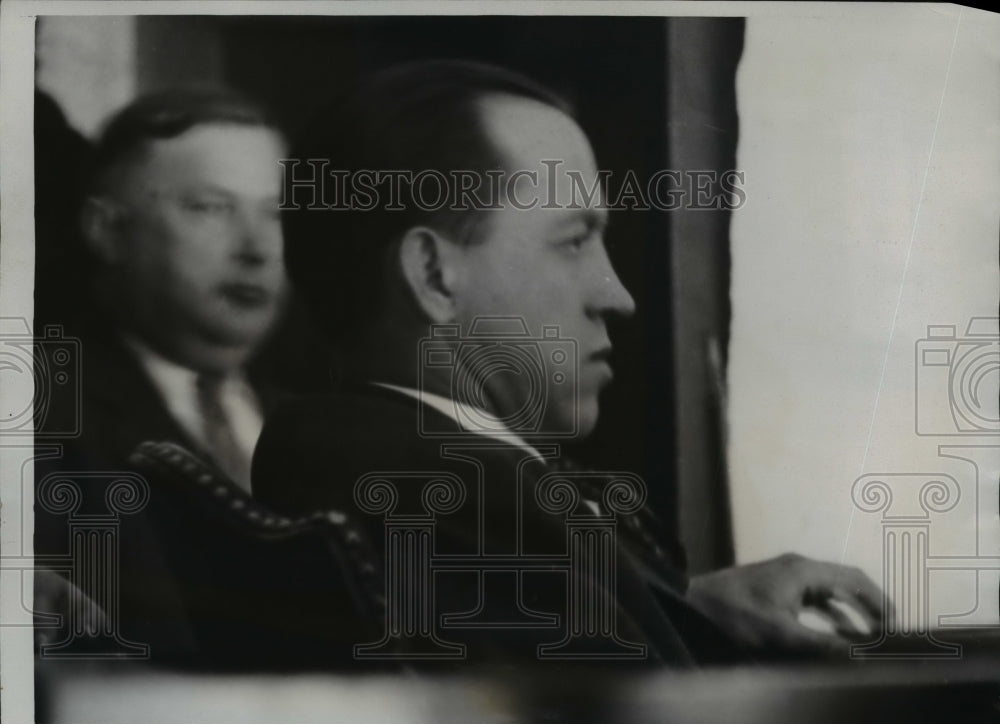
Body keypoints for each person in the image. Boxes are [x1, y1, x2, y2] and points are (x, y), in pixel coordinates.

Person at [252, 60, 885, 668]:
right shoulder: (476, 511)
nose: (617, 294)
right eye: (574, 241)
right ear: (434, 275)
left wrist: (682, 602)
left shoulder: (394, 477)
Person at [33, 89, 303, 663]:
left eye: (277, 213)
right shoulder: (38, 419)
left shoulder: (316, 424)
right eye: (210, 207)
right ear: (106, 230)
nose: (257, 249)